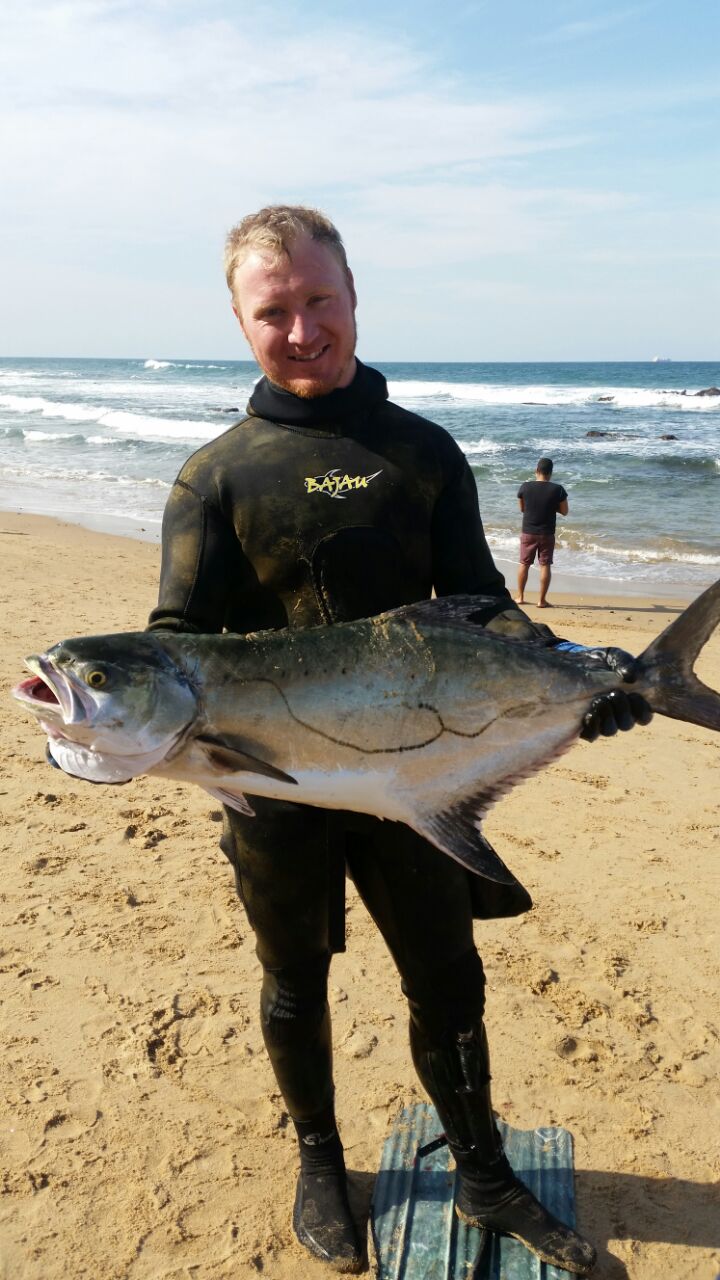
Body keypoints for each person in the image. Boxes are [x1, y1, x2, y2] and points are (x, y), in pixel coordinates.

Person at [144, 206, 651, 1275]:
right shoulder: (216, 475)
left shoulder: (423, 452)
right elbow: (175, 638)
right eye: (272, 311)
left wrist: (582, 670)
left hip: (416, 770)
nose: (301, 330)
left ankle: (485, 1173)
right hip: (273, 781)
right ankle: (320, 1162)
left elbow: (482, 603)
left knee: (448, 978)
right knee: (293, 979)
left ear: (353, 295)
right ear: (239, 321)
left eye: (318, 300)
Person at [516, 458, 568, 608]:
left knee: (524, 564)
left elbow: (522, 509)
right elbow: (565, 511)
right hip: (547, 533)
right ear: (550, 473)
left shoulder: (525, 487)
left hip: (528, 532)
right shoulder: (558, 489)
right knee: (545, 565)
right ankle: (542, 600)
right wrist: (552, 507)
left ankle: (520, 597)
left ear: (536, 470)